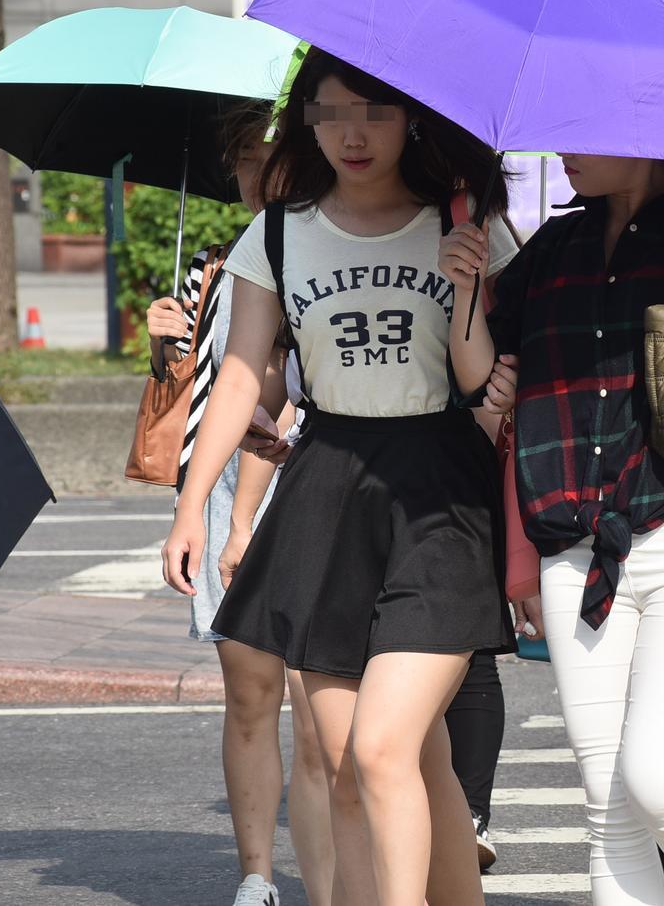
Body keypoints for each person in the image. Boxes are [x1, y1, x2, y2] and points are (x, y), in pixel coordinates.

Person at [160, 48, 515, 906]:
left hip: (440, 492)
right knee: (369, 763)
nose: (353, 133)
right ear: (307, 120)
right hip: (326, 486)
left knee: (383, 747)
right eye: (331, 111)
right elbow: (243, 376)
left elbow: (495, 381)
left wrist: (472, 289)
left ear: (411, 120)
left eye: (376, 112)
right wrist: (191, 509)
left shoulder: (465, 226)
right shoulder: (277, 232)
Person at [478, 154, 664, 905]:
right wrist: (465, 299)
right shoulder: (553, 246)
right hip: (575, 549)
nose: (566, 147)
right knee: (608, 810)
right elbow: (480, 359)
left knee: (657, 779)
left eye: (588, 128)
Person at [146, 106, 333, 906]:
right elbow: (195, 394)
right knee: (250, 688)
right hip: (228, 484)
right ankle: (256, 874)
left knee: (321, 707)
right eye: (247, 159)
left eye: (273, 155)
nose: (261, 173)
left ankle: (329, 886)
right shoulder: (215, 267)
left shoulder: (327, 244)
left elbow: (285, 393)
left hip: (309, 479)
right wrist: (165, 343)